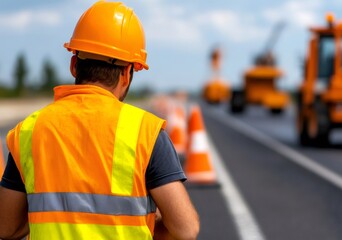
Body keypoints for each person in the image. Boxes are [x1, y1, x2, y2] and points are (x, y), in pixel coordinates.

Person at [0, 1, 199, 239]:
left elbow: (6, 228)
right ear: (127, 73)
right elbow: (186, 229)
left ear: (74, 65)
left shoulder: (30, 130)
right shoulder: (145, 132)